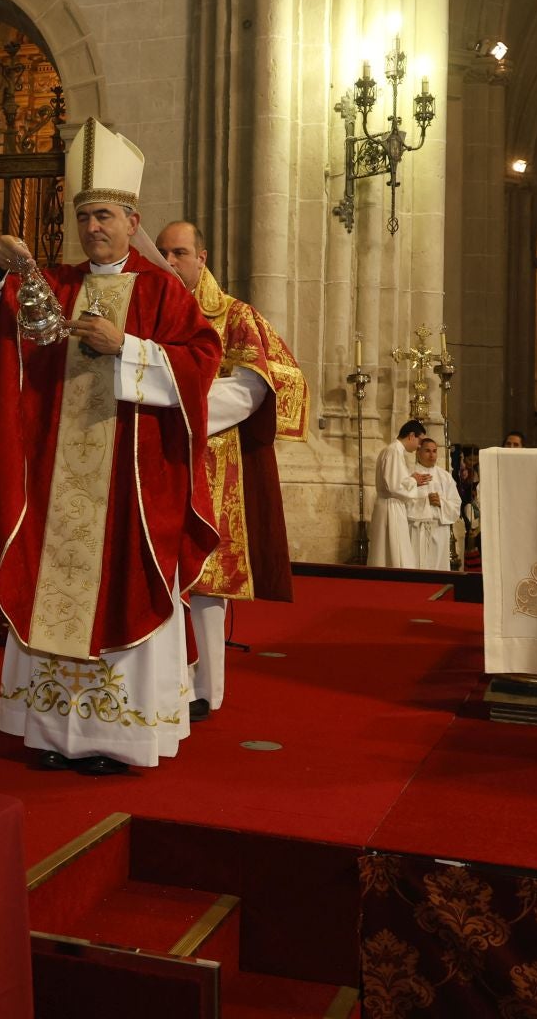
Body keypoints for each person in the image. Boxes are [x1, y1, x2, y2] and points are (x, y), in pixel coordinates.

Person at [0, 118, 221, 774]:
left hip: (131, 486)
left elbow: (200, 363)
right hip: (58, 479)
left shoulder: (162, 290)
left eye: (104, 215)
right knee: (54, 594)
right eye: (83, 216)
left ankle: (115, 739)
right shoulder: (56, 284)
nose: (93, 228)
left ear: (132, 220)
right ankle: (51, 733)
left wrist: (125, 348)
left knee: (123, 590)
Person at [155, 218, 305, 721]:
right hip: (157, 457)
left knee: (207, 579)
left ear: (201, 257)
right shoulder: (150, 313)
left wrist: (181, 408)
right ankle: (164, 680)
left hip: (215, 459)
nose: (170, 263)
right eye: (162, 254)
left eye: (178, 253)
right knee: (161, 572)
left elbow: (252, 387)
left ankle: (207, 689)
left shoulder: (234, 315)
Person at [369, 419, 428, 567]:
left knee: (387, 551)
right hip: (391, 507)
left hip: (390, 505)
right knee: (394, 552)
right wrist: (414, 480)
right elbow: (394, 486)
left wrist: (412, 480)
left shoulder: (393, 451)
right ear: (411, 436)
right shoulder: (394, 451)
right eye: (419, 440)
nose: (419, 445)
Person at [406, 437, 460, 570]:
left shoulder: (445, 476)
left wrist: (441, 503)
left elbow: (456, 504)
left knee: (438, 569)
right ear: (418, 452)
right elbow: (403, 502)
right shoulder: (409, 474)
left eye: (434, 451)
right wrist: (425, 501)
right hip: (417, 530)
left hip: (439, 529)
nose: (432, 455)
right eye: (427, 451)